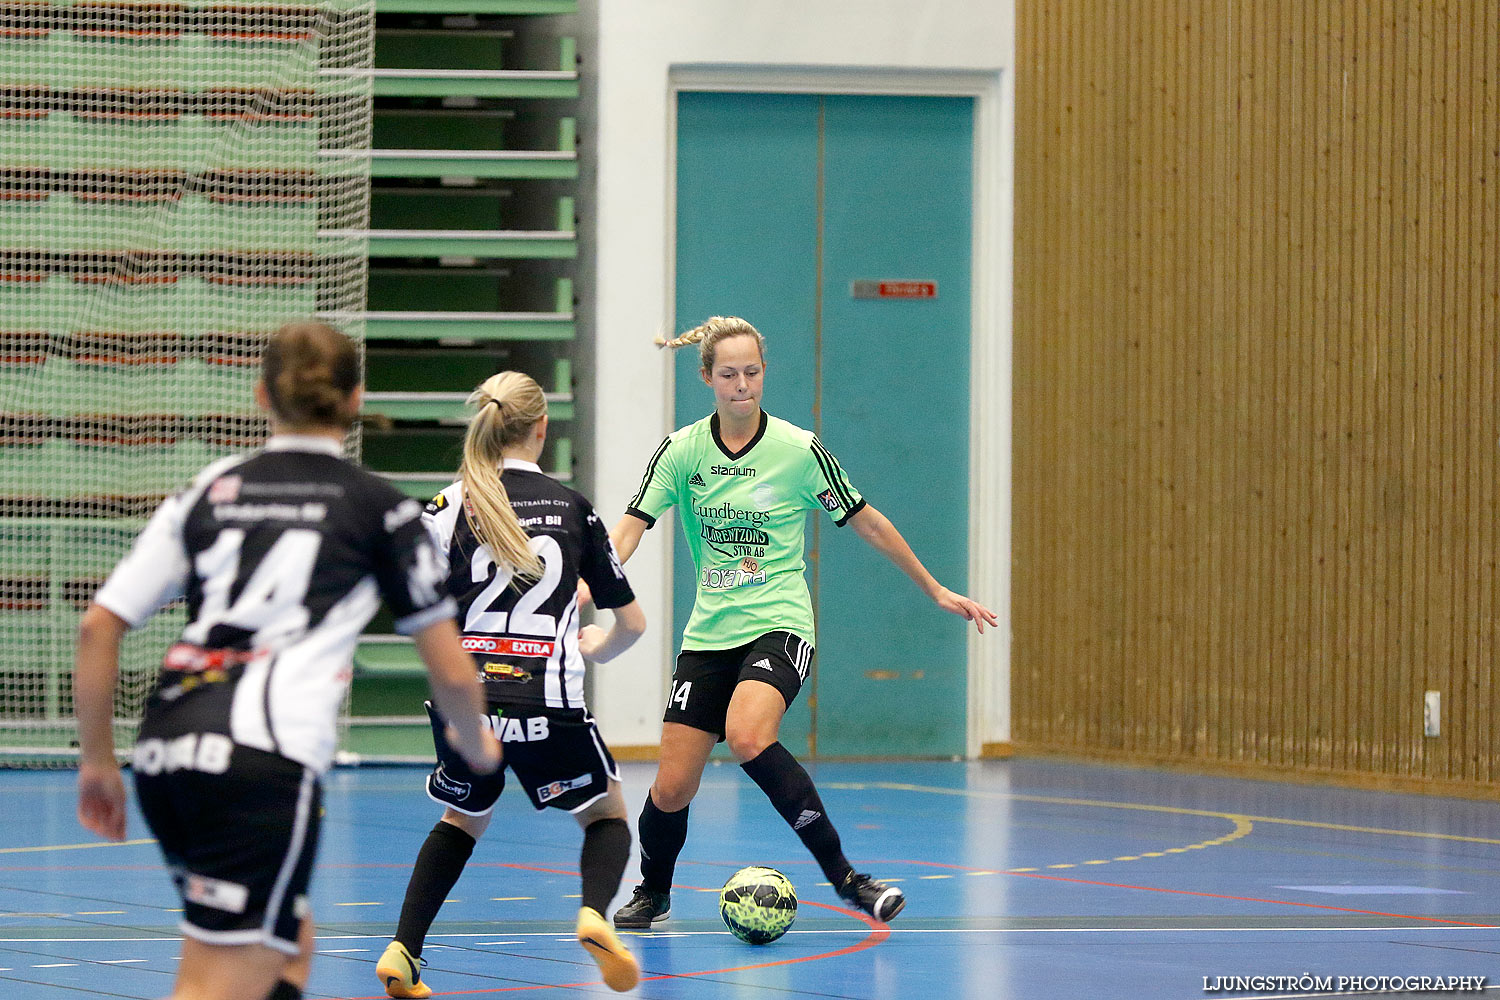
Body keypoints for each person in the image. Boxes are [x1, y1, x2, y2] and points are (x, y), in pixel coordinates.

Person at [73, 321, 500, 1000]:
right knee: (215, 979)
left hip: (165, 751)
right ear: (357, 398)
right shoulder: (380, 510)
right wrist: (477, 748)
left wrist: (97, 762)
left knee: (287, 944)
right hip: (261, 762)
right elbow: (451, 669)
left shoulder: (211, 488)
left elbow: (99, 627)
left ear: (260, 394)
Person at [601, 316, 998, 930]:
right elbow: (630, 525)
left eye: (752, 372)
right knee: (673, 787)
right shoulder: (682, 451)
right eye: (728, 374)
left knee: (749, 734)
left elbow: (867, 519)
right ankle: (653, 892)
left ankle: (849, 879)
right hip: (709, 635)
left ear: (764, 373)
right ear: (707, 377)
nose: (742, 385)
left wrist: (934, 587)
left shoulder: (797, 449)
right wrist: (589, 582)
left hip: (780, 623)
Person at [377, 371, 647, 998]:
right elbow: (630, 623)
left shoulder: (448, 506)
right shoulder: (576, 509)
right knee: (606, 815)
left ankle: (403, 948)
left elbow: (406, 599)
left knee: (462, 816)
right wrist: (599, 646)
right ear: (542, 428)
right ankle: (591, 913)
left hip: (464, 703)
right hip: (545, 702)